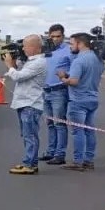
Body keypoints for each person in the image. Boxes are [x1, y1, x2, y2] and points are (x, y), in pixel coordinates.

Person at [57, 32, 105, 171]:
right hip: (93, 98)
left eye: (72, 43)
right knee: (89, 130)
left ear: (80, 43)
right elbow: (89, 76)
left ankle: (78, 161)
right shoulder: (98, 58)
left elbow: (74, 81)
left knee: (78, 131)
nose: (70, 46)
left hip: (78, 100)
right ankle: (89, 160)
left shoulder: (79, 60)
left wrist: (62, 77)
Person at [3, 35, 49, 174]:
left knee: (30, 136)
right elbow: (21, 72)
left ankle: (30, 164)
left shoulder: (38, 62)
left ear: (35, 47)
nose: (23, 48)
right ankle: (29, 162)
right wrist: (16, 62)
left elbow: (18, 76)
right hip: (24, 102)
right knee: (27, 135)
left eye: (26, 46)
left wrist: (10, 65)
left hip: (31, 103)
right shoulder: (31, 61)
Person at [39, 24, 73, 165]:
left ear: (63, 36)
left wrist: (66, 75)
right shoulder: (46, 50)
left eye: (58, 36)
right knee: (50, 123)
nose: (54, 39)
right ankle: (51, 151)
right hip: (45, 90)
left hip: (59, 90)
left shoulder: (68, 51)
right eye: (52, 36)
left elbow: (76, 69)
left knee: (59, 123)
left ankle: (60, 154)